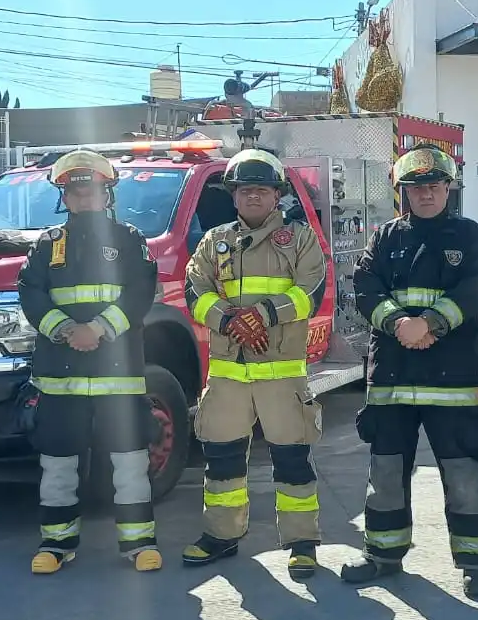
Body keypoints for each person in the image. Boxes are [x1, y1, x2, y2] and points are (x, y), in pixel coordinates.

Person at [339, 145, 478, 598]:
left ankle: (475, 563)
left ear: (448, 188)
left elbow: (475, 290)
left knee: (464, 472)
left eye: (434, 185)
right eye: (416, 187)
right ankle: (383, 555)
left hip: (452, 379)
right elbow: (365, 287)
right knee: (386, 473)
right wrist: (399, 324)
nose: (426, 194)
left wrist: (427, 324)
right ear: (403, 192)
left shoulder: (468, 236)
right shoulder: (385, 237)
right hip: (393, 377)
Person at [182, 149, 328, 579]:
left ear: (277, 195)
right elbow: (196, 292)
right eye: (244, 189)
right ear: (233, 195)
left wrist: (262, 314)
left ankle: (302, 544)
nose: (253, 197)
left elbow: (311, 291)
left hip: (282, 374)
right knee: (222, 462)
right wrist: (229, 321)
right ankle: (221, 536)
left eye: (261, 190)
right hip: (228, 375)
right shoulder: (214, 241)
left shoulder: (300, 239)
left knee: (293, 464)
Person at [17, 149, 162, 575]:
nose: (83, 196)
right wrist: (65, 329)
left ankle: (139, 545)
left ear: (107, 192)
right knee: (58, 465)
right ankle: (56, 545)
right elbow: (31, 294)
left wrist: (97, 329)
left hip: (118, 377)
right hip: (60, 377)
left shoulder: (130, 240)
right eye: (74, 190)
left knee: (131, 463)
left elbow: (139, 294)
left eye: (90, 188)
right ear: (65, 195)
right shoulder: (46, 245)